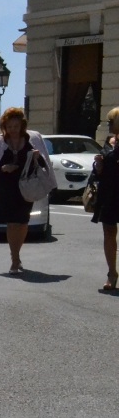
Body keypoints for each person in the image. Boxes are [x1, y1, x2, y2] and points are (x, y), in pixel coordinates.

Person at [0, 107, 51, 274]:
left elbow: (43, 163)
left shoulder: (32, 139)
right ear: (4, 126)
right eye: (9, 126)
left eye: (16, 126)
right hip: (7, 186)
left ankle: (17, 254)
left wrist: (35, 157)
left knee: (23, 222)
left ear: (22, 126)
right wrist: (3, 169)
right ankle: (15, 258)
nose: (13, 130)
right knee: (12, 223)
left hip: (26, 185)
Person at [90, 108, 119, 291]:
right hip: (110, 194)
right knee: (109, 232)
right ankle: (112, 273)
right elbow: (100, 172)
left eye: (111, 121)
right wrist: (99, 165)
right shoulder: (109, 142)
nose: (108, 125)